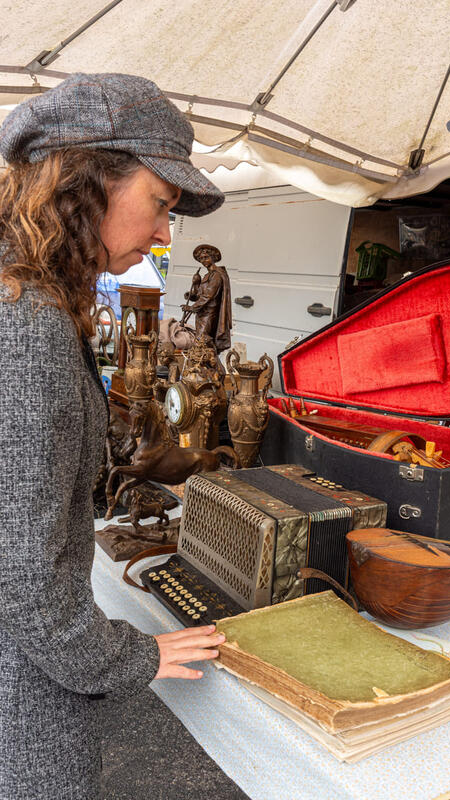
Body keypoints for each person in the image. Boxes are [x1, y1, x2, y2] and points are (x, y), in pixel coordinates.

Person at [0, 73, 227, 800]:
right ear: (88, 183)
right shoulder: (25, 323)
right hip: (19, 695)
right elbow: (21, 566)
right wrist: (121, 657)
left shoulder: (25, 297)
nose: (166, 233)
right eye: (161, 203)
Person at [181, 243, 232, 352]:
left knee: (202, 339)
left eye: (206, 257)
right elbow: (200, 295)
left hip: (209, 313)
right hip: (202, 313)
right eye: (200, 259)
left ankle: (209, 363)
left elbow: (208, 296)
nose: (203, 261)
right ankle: (206, 362)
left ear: (213, 257)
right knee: (201, 340)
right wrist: (196, 284)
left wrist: (191, 308)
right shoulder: (207, 275)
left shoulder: (217, 275)